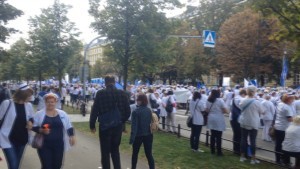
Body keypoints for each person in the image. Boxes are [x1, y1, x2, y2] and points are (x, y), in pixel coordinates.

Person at [90, 75, 131, 169]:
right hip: (118, 126)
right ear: (114, 82)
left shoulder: (100, 93)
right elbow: (128, 111)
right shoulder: (122, 93)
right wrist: (121, 120)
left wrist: (92, 125)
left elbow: (95, 110)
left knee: (105, 152)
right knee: (115, 150)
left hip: (105, 126)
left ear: (105, 83)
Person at [32, 93, 75, 169]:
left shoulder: (62, 114)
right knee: (46, 166)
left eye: (52, 102)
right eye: (48, 102)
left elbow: (69, 125)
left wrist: (72, 136)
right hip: (44, 145)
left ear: (55, 102)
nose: (50, 104)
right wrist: (41, 130)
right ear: (45, 102)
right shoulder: (39, 114)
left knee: (57, 165)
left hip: (59, 144)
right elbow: (33, 126)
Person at [0, 83, 34, 169]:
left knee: (17, 164)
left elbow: (31, 117)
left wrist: (30, 121)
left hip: (22, 139)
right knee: (13, 164)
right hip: (7, 139)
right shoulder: (7, 103)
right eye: (29, 95)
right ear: (23, 95)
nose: (31, 97)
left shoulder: (28, 105)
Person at [239, 86, 264, 165]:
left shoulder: (242, 101)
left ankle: (242, 156)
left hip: (244, 121)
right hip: (253, 122)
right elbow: (262, 111)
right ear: (254, 92)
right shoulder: (257, 102)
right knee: (252, 140)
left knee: (243, 139)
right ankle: (253, 158)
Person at [129, 94, 155, 169]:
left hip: (138, 135)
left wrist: (131, 139)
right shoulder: (149, 110)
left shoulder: (135, 112)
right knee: (149, 154)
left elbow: (134, 127)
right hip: (148, 134)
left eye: (138, 99)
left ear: (140, 101)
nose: (137, 101)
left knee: (135, 154)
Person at [274, 94, 295, 166]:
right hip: (284, 128)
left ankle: (278, 159)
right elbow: (290, 119)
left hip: (278, 126)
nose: (293, 101)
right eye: (292, 99)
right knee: (285, 145)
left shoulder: (280, 104)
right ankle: (285, 161)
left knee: (278, 144)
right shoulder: (287, 107)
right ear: (288, 100)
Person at [206, 89, 229, 156]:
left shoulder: (208, 100)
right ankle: (219, 151)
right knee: (219, 136)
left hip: (211, 117)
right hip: (218, 118)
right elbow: (225, 110)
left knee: (212, 135)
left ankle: (212, 150)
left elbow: (207, 110)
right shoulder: (220, 100)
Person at [230, 89, 246, 155]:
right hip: (238, 118)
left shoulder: (234, 99)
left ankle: (235, 150)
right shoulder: (241, 99)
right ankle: (239, 150)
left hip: (232, 117)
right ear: (243, 94)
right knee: (240, 135)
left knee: (236, 135)